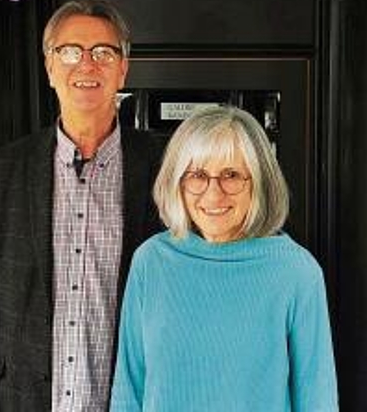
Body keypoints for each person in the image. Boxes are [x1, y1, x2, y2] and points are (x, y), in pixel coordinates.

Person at [0, 0, 165, 412]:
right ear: (50, 67)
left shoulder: (166, 168)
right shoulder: (2, 174)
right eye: (70, 51)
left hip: (135, 401)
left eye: (104, 52)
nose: (86, 65)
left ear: (123, 67)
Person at [109, 106, 337, 411]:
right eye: (198, 175)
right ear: (177, 182)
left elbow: (317, 398)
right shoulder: (151, 262)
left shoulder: (296, 272)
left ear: (258, 182)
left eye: (231, 175)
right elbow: (128, 389)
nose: (213, 195)